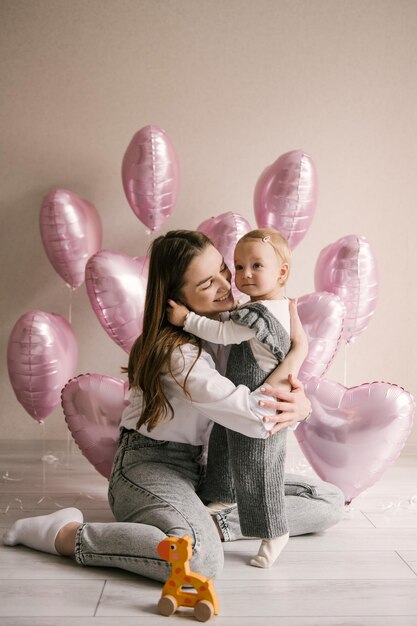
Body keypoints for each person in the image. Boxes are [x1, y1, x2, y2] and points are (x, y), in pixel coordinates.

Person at [3, 230, 344, 583]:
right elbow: (252, 418)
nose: (228, 284)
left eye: (224, 270)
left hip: (209, 473)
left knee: (328, 499)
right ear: (177, 300)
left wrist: (300, 402)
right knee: (199, 561)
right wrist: (298, 356)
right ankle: (64, 534)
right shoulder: (177, 354)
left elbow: (268, 395)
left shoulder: (233, 327)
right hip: (150, 466)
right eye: (206, 283)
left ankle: (208, 522)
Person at [167, 228, 296, 568]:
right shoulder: (266, 307)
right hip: (244, 402)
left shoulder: (261, 314)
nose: (243, 276)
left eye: (255, 266)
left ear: (281, 272)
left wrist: (187, 320)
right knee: (225, 450)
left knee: (258, 470)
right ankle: (222, 499)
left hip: (259, 403)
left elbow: (223, 331)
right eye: (238, 267)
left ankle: (273, 529)